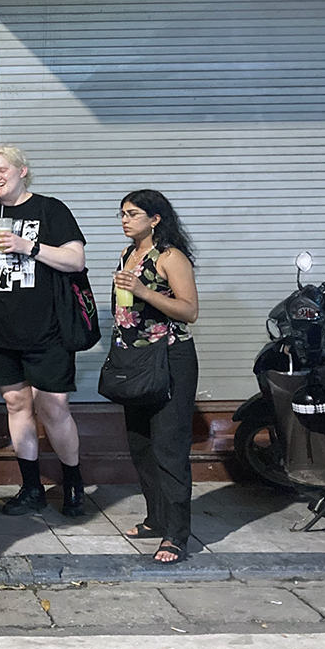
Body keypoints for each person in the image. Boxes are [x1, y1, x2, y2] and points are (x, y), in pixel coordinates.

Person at [0, 145, 89, 517]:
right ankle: (31, 487)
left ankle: (73, 482)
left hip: (47, 331)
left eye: (3, 170)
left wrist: (27, 246)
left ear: (22, 172)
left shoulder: (50, 210)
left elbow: (76, 259)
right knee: (16, 403)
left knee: (54, 406)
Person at [113, 189, 200, 564]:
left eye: (132, 213)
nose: (125, 220)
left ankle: (178, 534)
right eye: (121, 214)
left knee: (169, 445)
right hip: (135, 360)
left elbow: (189, 310)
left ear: (156, 218)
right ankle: (156, 518)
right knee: (140, 444)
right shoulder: (129, 254)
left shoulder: (170, 257)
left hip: (170, 357)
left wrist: (144, 291)